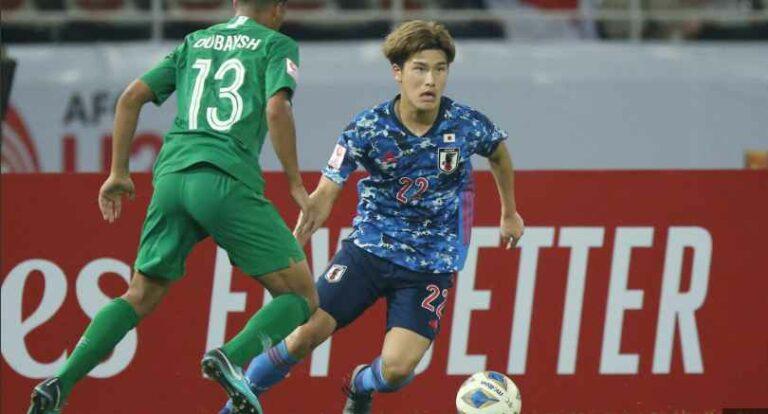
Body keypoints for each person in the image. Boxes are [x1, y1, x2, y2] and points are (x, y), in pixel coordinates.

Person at [27, 0, 321, 413]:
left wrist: (118, 172)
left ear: (234, 3)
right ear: (278, 9)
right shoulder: (276, 44)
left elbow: (131, 97)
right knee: (302, 296)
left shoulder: (195, 41)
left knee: (140, 293)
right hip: (223, 179)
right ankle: (231, 358)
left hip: (171, 178)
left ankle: (62, 382)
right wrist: (294, 182)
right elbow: (277, 108)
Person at [220, 20, 525, 414]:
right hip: (367, 251)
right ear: (397, 72)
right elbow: (327, 191)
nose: (430, 80)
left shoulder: (465, 124)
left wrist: (509, 212)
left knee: (396, 372)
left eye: (440, 69)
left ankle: (359, 384)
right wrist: (304, 226)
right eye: (419, 69)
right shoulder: (367, 128)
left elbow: (498, 153)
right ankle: (235, 406)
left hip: (429, 265)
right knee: (303, 335)